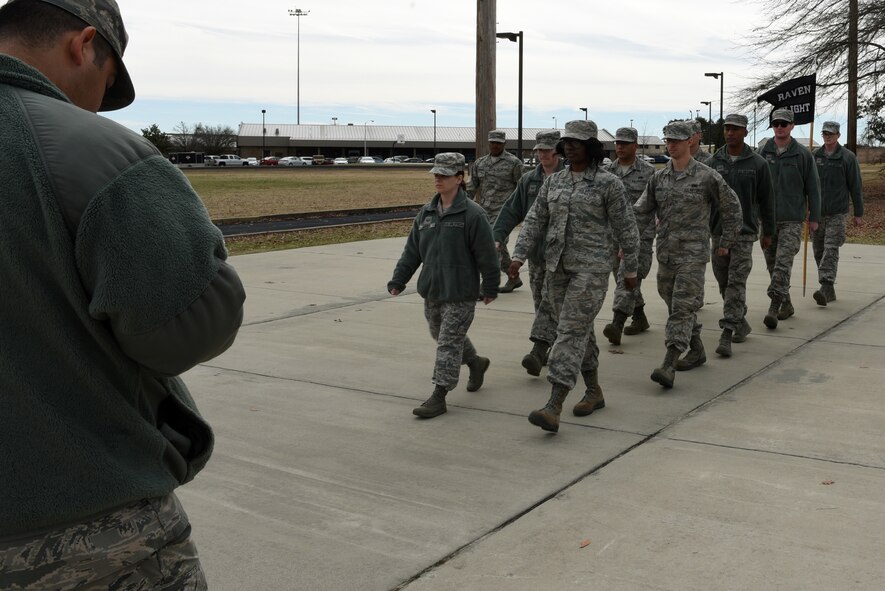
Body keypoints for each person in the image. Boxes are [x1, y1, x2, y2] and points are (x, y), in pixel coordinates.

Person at [0, 1, 246, 588]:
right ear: (84, 45)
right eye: (104, 85)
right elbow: (188, 327)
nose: (93, 105)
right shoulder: (98, 155)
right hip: (81, 528)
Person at [509, 120, 640, 432]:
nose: (569, 146)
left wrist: (630, 270)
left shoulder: (609, 184)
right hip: (557, 268)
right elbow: (534, 220)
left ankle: (554, 403)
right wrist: (518, 256)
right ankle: (594, 391)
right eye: (566, 141)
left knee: (568, 332)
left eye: (576, 142)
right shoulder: (554, 182)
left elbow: (627, 229)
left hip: (591, 270)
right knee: (581, 331)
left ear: (591, 147)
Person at [388, 152, 499, 419]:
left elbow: (487, 254)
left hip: (461, 292)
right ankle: (475, 362)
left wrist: (491, 286)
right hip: (433, 290)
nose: (438, 178)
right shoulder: (426, 213)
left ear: (460, 178)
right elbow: (412, 251)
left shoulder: (473, 214)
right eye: (436, 174)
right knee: (442, 335)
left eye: (444, 175)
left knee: (448, 344)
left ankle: (439, 395)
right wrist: (399, 279)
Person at [634, 121, 742, 388]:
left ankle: (669, 362)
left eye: (676, 141)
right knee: (670, 300)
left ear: (689, 142)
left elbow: (732, 207)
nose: (670, 145)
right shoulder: (658, 178)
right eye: (667, 140)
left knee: (682, 307)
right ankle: (696, 349)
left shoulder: (707, 176)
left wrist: (726, 240)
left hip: (693, 255)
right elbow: (641, 212)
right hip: (667, 253)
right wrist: (626, 239)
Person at [493, 130, 564, 375]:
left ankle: (540, 349)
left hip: (565, 256)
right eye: (539, 150)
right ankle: (550, 345)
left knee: (551, 302)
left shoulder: (571, 177)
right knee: (540, 302)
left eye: (547, 149)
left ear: (558, 151)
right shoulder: (529, 180)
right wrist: (497, 237)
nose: (542, 154)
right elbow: (512, 210)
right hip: (536, 254)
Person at [708, 114, 776, 357]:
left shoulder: (758, 164)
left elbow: (767, 200)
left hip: (745, 233)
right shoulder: (713, 162)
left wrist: (769, 230)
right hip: (718, 232)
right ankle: (740, 321)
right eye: (727, 128)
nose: (730, 133)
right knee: (724, 281)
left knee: (736, 282)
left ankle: (727, 332)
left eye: (735, 129)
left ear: (745, 132)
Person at [757, 108, 821, 329]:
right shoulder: (763, 151)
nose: (780, 127)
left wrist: (815, 216)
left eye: (784, 124)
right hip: (767, 220)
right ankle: (787, 303)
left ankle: (774, 307)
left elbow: (813, 187)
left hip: (792, 219)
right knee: (772, 264)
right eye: (776, 123)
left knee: (783, 263)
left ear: (792, 126)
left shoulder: (803, 155)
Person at [602, 126, 657, 345]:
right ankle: (640, 317)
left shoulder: (649, 173)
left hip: (640, 236)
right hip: (613, 236)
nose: (620, 147)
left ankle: (617, 322)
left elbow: (654, 205)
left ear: (635, 145)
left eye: (625, 143)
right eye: (617, 143)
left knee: (628, 278)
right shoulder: (607, 173)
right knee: (623, 278)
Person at [811, 121, 864, 306]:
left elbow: (855, 186)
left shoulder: (847, 157)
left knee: (831, 248)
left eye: (831, 134)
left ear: (838, 136)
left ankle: (825, 285)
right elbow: (807, 184)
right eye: (825, 133)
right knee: (819, 251)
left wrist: (858, 212)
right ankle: (829, 289)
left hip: (837, 213)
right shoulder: (815, 155)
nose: (827, 136)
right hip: (817, 213)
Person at [466, 129, 525, 292]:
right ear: (488, 143)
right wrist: (461, 203)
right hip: (485, 211)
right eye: (492, 142)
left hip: (505, 213)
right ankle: (514, 278)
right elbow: (472, 186)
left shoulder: (514, 163)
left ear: (504, 144)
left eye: (498, 143)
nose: (495, 145)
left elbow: (522, 188)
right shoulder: (480, 163)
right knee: (499, 248)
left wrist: (522, 212)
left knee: (493, 246)